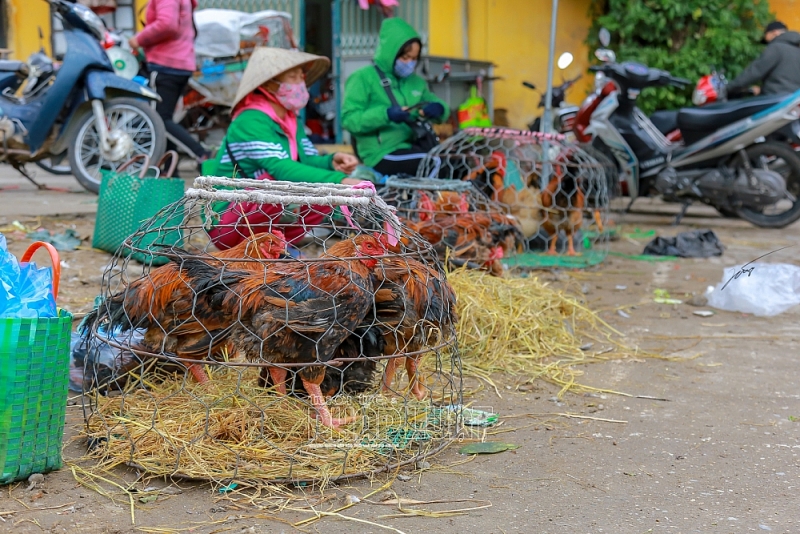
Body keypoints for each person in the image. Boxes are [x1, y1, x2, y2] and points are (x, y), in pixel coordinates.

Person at [202, 47, 361, 250]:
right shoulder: (250, 121)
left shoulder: (290, 119)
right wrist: (342, 181)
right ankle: (253, 249)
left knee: (325, 194)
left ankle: (276, 245)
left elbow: (308, 160)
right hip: (227, 221)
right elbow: (280, 167)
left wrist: (332, 161)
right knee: (274, 185)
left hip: (264, 214)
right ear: (269, 84)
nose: (300, 83)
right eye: (292, 77)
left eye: (300, 76)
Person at [342, 18, 449, 177]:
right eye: (405, 58)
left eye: (414, 59)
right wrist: (386, 114)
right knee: (435, 163)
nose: (410, 64)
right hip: (379, 154)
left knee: (455, 162)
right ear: (391, 53)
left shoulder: (416, 82)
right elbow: (349, 119)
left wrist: (439, 109)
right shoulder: (363, 77)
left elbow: (439, 104)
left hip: (412, 146)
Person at [128, 0, 209, 171]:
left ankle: (202, 155)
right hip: (181, 63)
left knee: (159, 119)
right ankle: (169, 170)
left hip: (166, 64)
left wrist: (138, 39)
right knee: (165, 119)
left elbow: (167, 24)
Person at [728, 21, 800, 96]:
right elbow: (786, 80)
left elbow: (755, 71)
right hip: (794, 102)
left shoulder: (776, 47)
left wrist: (728, 88)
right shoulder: (797, 51)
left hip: (776, 100)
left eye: (767, 41)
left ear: (774, 33)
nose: (767, 45)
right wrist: (762, 89)